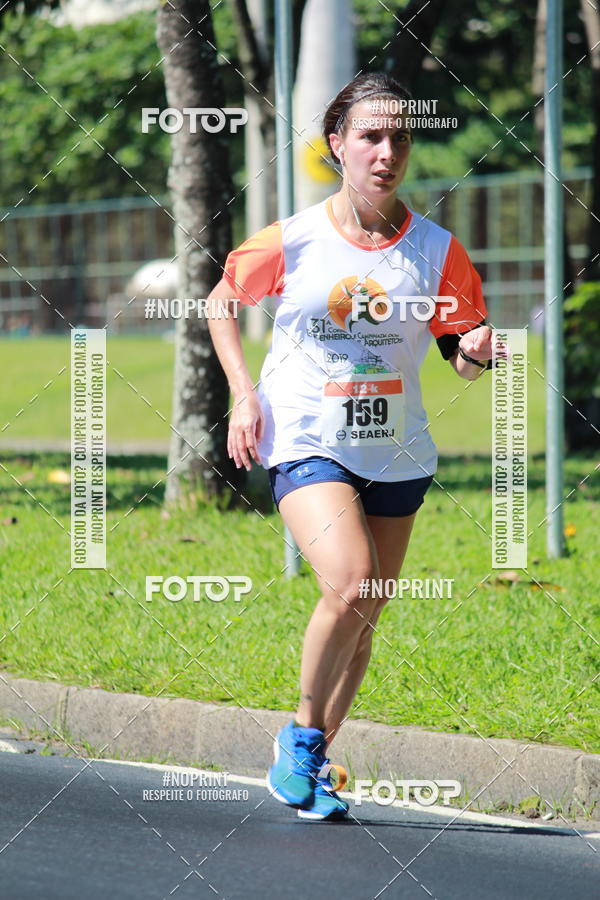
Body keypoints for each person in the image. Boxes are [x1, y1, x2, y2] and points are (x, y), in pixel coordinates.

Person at [207, 72, 497, 821]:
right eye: (370, 135)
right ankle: (299, 739)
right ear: (336, 143)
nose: (386, 151)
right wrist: (244, 393)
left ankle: (314, 759)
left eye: (399, 136)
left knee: (368, 611)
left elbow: (458, 358)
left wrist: (479, 349)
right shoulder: (294, 240)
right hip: (307, 435)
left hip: (397, 447)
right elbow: (220, 302)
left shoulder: (437, 251)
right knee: (351, 578)